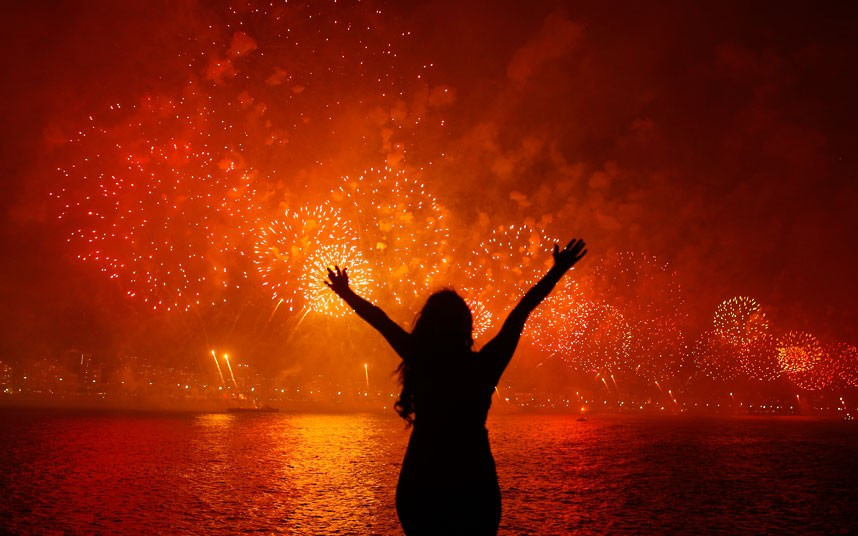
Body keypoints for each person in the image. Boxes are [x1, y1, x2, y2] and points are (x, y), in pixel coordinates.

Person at [325, 237, 587, 535]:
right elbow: (521, 312)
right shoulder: (485, 366)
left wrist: (346, 293)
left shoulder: (419, 356)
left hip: (421, 482)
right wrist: (557, 270)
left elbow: (379, 319)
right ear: (467, 326)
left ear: (427, 324)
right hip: (473, 484)